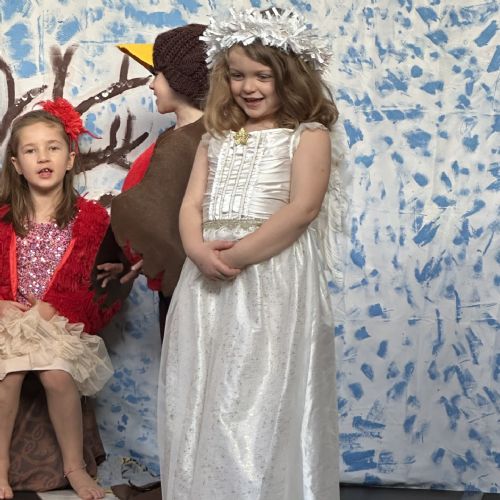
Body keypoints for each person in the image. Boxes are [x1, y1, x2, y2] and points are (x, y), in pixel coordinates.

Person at [157, 7, 343, 500]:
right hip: (206, 277)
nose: (248, 86)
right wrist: (198, 251)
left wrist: (236, 257)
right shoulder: (215, 137)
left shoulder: (308, 135)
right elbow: (191, 204)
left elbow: (302, 210)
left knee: (256, 389)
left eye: (262, 75)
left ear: (290, 77)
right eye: (237, 75)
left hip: (268, 277)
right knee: (204, 385)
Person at [0, 98, 121, 500]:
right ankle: (0, 468)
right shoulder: (2, 219)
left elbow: (100, 288)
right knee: (7, 376)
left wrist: (58, 309)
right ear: (16, 164)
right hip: (8, 322)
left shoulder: (92, 220)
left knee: (58, 375)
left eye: (52, 148)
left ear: (70, 159)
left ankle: (75, 467)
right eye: (30, 150)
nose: (43, 157)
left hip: (57, 323)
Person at [96, 24, 212, 337]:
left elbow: (156, 212)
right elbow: (148, 211)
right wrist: (125, 258)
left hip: (193, 285)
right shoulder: (172, 139)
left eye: (157, 74)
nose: (151, 84)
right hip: (171, 285)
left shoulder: (196, 142)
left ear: (180, 80)